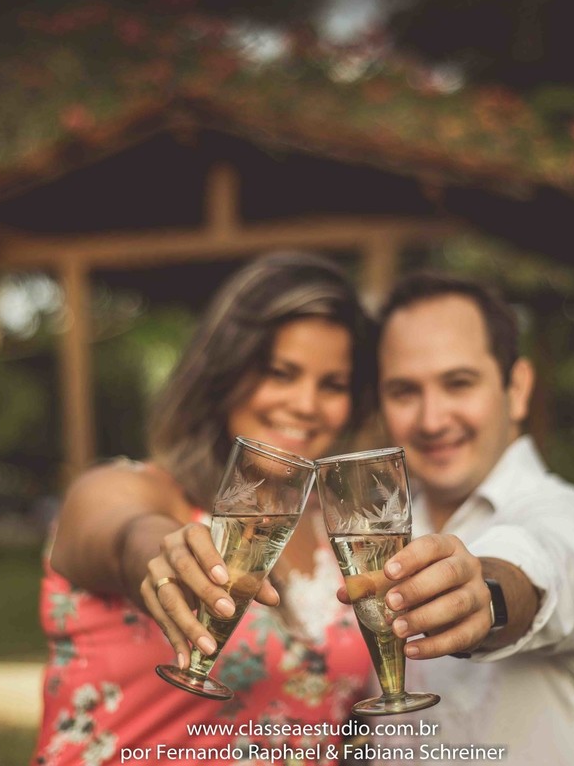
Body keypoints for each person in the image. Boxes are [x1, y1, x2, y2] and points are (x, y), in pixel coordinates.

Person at [32, 252, 375, 766]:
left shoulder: (343, 538)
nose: (307, 403)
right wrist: (159, 555)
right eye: (281, 373)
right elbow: (117, 531)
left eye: (333, 385)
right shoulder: (137, 491)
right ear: (225, 372)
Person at [361, 272, 574, 766]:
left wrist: (487, 596)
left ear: (516, 388)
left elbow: (545, 564)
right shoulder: (381, 532)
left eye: (459, 383)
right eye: (405, 391)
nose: (432, 420)